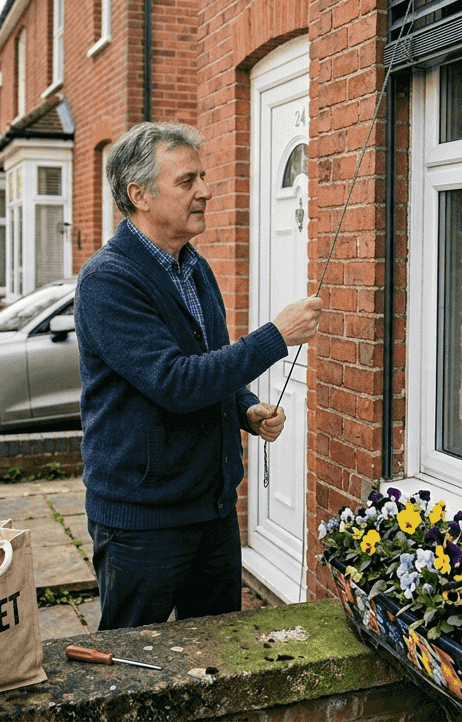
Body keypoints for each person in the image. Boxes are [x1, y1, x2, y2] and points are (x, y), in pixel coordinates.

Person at [73, 121, 323, 630]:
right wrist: (276, 335)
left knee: (216, 658)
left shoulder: (196, 268)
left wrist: (243, 409)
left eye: (202, 177)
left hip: (211, 510)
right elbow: (176, 382)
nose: (206, 191)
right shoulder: (108, 281)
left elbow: (209, 360)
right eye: (187, 181)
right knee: (129, 666)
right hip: (143, 521)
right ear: (138, 194)